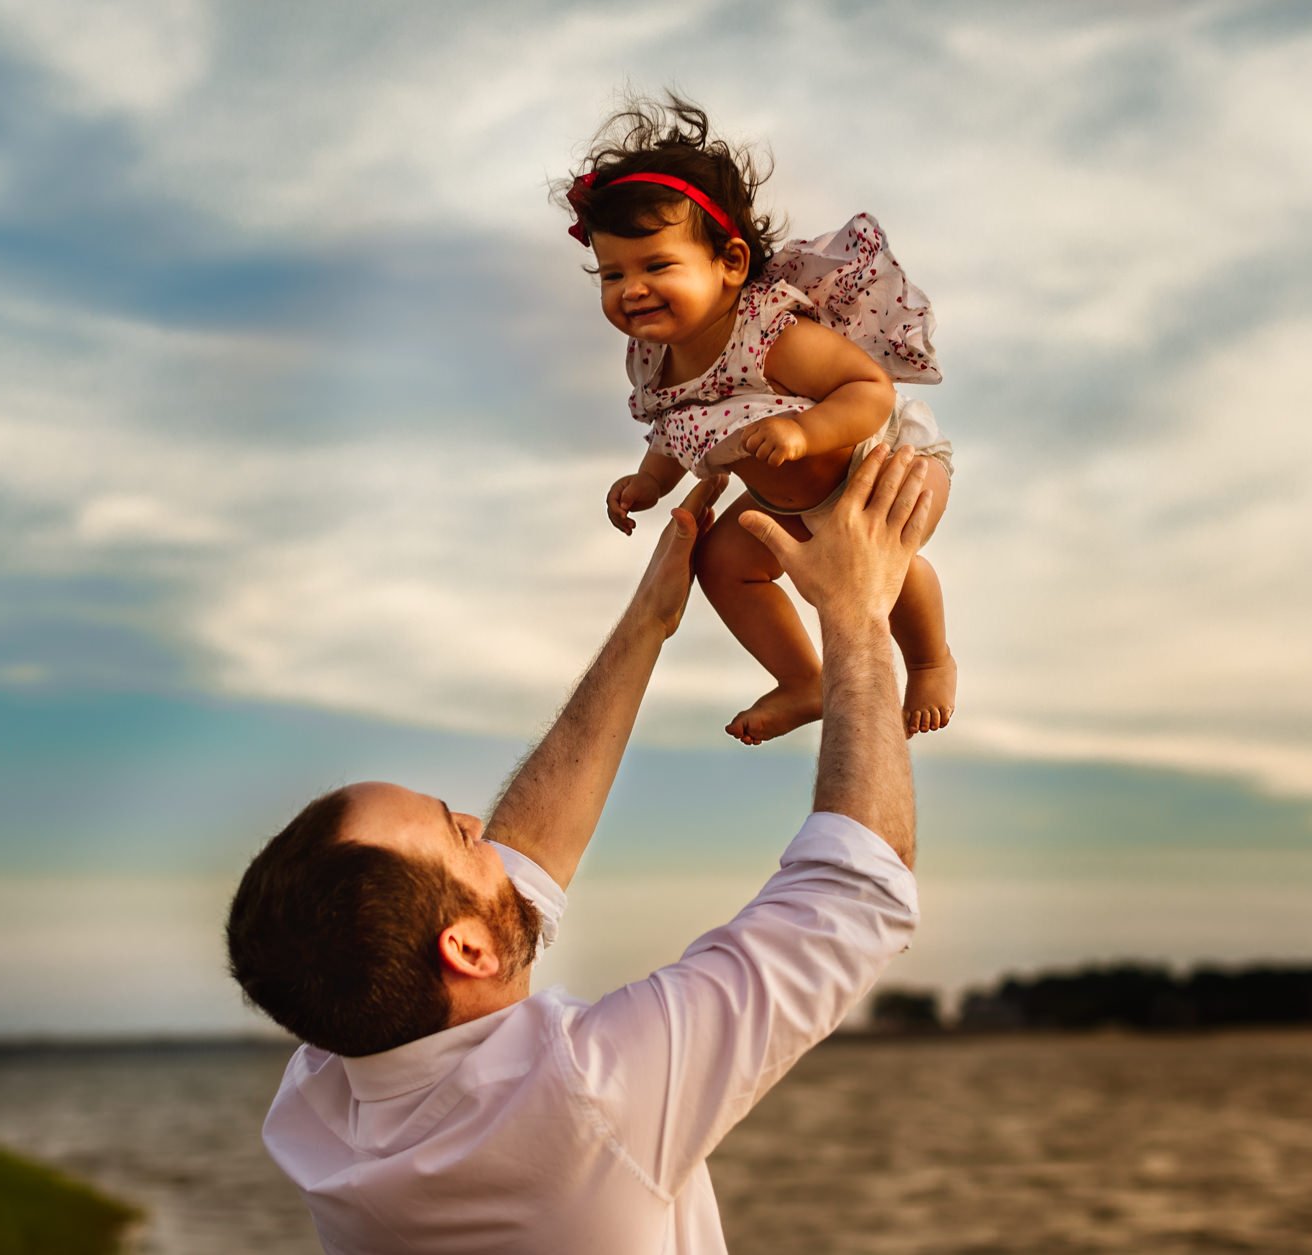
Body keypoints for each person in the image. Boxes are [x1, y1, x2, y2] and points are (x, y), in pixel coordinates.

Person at [227, 446, 940, 1254]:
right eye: (459, 833)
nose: (478, 821)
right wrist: (856, 612)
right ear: (462, 948)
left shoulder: (328, 1100)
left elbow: (519, 858)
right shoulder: (588, 1100)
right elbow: (858, 889)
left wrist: (648, 622)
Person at [562, 94, 957, 745]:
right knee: (722, 563)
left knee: (889, 561)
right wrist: (649, 482)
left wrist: (806, 432)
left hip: (881, 470)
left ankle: (930, 660)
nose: (631, 287)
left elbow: (871, 390)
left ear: (731, 265)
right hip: (787, 503)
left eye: (657, 265)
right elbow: (674, 429)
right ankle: (803, 678)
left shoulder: (769, 334)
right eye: (612, 273)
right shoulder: (654, 362)